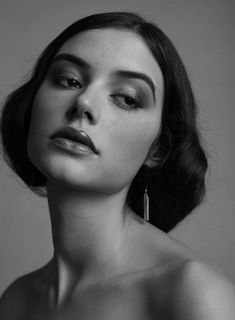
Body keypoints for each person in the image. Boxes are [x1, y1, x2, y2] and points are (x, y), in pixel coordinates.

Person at [0, 11, 234, 319]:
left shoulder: (194, 295)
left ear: (158, 149)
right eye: (68, 80)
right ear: (31, 106)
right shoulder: (17, 302)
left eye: (126, 98)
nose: (84, 102)